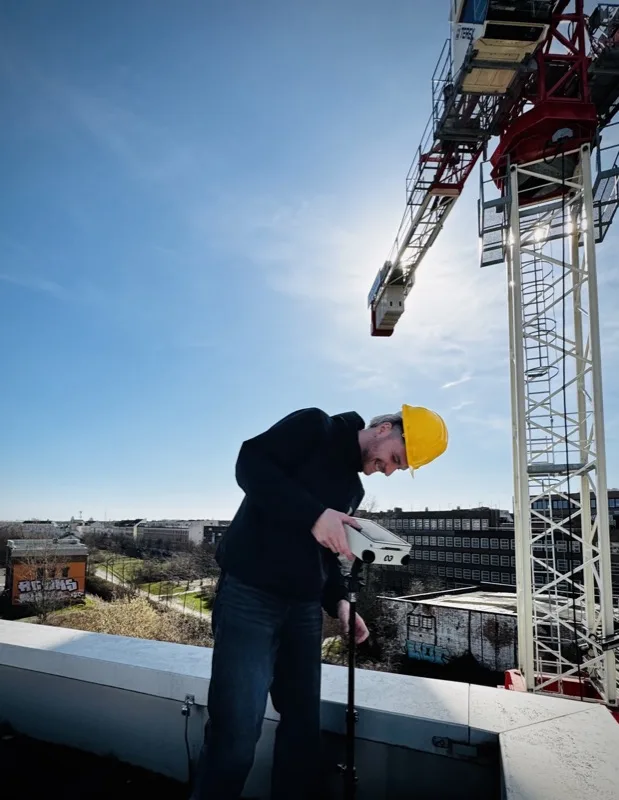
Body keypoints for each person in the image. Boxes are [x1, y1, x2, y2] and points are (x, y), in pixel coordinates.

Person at [190, 405, 447, 800]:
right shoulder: (316, 426)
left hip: (305, 612)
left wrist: (341, 603)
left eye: (398, 467)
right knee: (236, 732)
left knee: (302, 732)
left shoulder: (353, 490)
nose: (389, 470)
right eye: (395, 458)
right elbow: (251, 462)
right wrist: (314, 514)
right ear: (383, 429)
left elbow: (325, 555)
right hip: (250, 598)